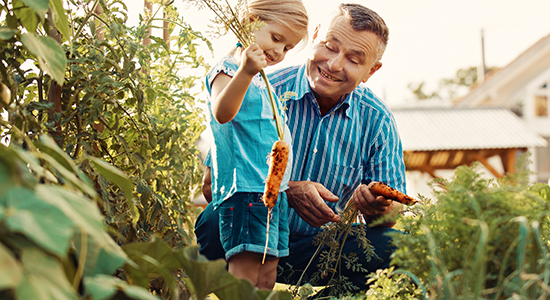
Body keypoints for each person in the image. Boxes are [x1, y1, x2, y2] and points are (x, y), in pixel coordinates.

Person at [196, 3, 407, 293]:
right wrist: (285, 190)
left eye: (354, 59)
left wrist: (379, 206)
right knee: (212, 220)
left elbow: (391, 216)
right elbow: (210, 187)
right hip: (252, 231)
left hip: (322, 251)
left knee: (398, 247)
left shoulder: (377, 120)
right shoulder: (259, 88)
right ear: (316, 36)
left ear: (371, 71)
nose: (333, 64)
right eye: (330, 47)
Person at [199, 0, 309, 290]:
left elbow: (242, 130)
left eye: (287, 48)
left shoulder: (262, 80)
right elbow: (222, 114)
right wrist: (245, 71)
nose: (279, 51)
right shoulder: (230, 68)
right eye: (276, 38)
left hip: (273, 191)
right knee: (245, 270)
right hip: (248, 188)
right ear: (250, 21)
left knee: (267, 273)